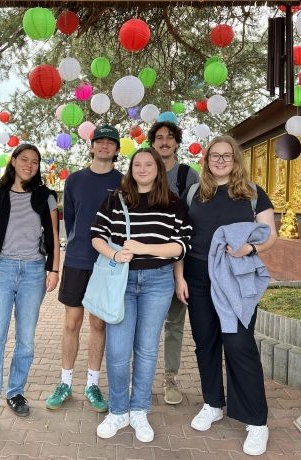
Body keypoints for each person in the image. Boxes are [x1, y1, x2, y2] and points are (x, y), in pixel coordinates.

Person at [175, 135, 277, 456]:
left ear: (236, 159)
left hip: (235, 280)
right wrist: (180, 276)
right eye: (214, 156)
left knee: (239, 344)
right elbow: (182, 237)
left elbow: (270, 234)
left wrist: (251, 247)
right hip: (198, 278)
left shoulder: (252, 193)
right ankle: (212, 403)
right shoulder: (194, 193)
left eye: (227, 155)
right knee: (206, 343)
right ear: (206, 160)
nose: (220, 160)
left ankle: (257, 422)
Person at [92, 147, 192, 442]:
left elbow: (182, 245)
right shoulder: (115, 198)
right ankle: (118, 410)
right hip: (122, 282)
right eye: (138, 164)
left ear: (159, 169)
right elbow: (96, 235)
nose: (143, 168)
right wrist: (114, 253)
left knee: (147, 350)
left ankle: (139, 410)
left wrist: (145, 250)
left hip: (158, 283)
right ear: (131, 168)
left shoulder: (173, 203)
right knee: (118, 350)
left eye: (149, 164)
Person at [0, 143, 60, 437]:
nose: (29, 165)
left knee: (26, 342)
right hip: (3, 271)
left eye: (35, 161)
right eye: (24, 159)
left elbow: (55, 237)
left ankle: (15, 392)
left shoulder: (47, 198)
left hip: (33, 272)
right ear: (14, 161)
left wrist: (54, 269)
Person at [45, 125, 123, 412]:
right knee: (71, 323)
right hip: (78, 260)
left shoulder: (123, 182)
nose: (104, 146)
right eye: (99, 141)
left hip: (108, 263)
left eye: (109, 143)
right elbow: (73, 221)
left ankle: (92, 384)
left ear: (116, 150)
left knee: (98, 324)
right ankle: (65, 382)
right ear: (91, 147)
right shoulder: (75, 180)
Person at [148, 121, 199, 405]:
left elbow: (196, 218)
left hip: (179, 259)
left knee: (175, 323)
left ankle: (170, 377)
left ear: (177, 142)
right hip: (144, 262)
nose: (164, 142)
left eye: (169, 137)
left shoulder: (188, 176)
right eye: (159, 138)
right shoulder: (144, 170)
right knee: (143, 322)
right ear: (153, 143)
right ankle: (140, 377)